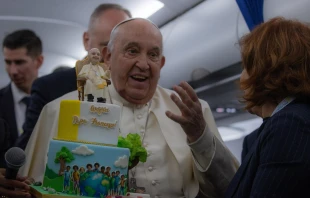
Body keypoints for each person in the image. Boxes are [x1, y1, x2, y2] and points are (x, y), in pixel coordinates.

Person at [19, 18, 239, 198]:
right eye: (132, 51)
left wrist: (199, 136)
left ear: (161, 64)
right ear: (108, 58)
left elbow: (229, 188)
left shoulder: (192, 112)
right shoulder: (62, 110)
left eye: (153, 55)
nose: (143, 64)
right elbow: (30, 188)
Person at [15, 3, 131, 149]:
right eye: (106, 47)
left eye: (125, 48)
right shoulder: (50, 89)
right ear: (86, 41)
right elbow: (28, 150)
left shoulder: (139, 92)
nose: (111, 56)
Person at [225, 17, 310, 197]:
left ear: (264, 70)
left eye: (245, 66)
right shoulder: (286, 121)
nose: (240, 78)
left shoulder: (289, 124)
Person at [0, 29, 43, 155]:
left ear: (39, 61)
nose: (13, 71)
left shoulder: (54, 102)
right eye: (8, 62)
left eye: (19, 62)